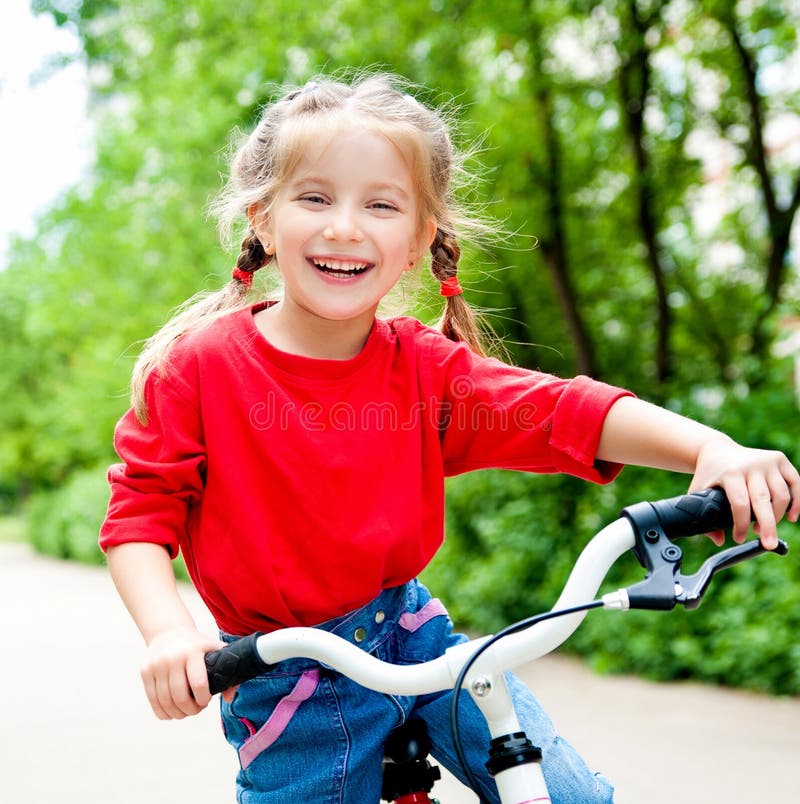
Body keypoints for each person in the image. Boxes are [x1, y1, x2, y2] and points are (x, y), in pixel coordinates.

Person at [100, 73, 799, 804]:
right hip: (287, 677)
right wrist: (170, 632)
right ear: (264, 221)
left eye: (380, 204)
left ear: (418, 242)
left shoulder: (423, 370)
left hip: (415, 635)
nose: (344, 226)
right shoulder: (201, 368)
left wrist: (708, 448)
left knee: (567, 794)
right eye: (314, 197)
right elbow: (139, 518)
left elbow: (564, 411)